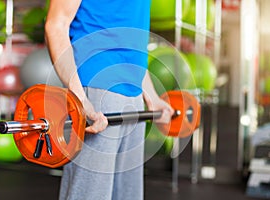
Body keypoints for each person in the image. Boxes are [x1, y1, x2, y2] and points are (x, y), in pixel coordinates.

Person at [44, 0, 174, 199]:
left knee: (127, 194)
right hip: (97, 88)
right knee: (90, 194)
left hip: (133, 95)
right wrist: (80, 98)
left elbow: (130, 42)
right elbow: (56, 25)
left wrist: (151, 96)